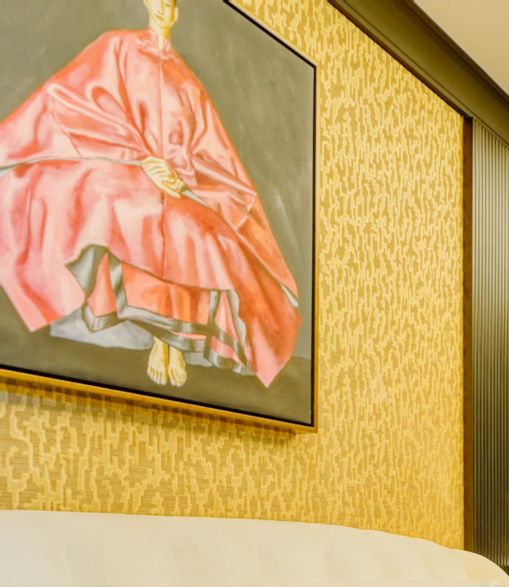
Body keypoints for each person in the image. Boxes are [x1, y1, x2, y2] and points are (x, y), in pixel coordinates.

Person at [0, 0, 300, 389]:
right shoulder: (117, 47)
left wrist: (182, 181)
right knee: (131, 211)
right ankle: (152, 332)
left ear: (177, 12)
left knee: (200, 232)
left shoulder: (186, 81)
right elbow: (79, 105)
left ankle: (169, 339)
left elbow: (211, 152)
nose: (163, 7)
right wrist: (141, 160)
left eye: (171, 2)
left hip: (178, 186)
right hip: (123, 168)